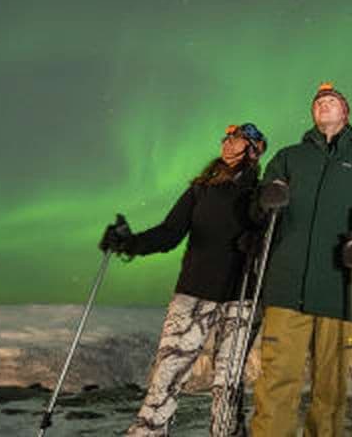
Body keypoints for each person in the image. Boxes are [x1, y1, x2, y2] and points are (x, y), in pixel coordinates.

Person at [99, 122, 268, 437]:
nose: (227, 144)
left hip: (241, 296)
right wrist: (128, 242)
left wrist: (260, 239)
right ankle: (149, 430)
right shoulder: (201, 189)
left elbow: (276, 238)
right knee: (168, 370)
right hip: (194, 294)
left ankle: (227, 432)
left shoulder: (262, 196)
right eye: (227, 139)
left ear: (253, 151)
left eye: (237, 140)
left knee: (227, 382)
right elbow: (169, 233)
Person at [249, 82, 352, 437]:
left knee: (331, 387)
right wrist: (265, 201)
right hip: (286, 284)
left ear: (346, 113)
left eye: (332, 101)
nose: (324, 106)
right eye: (318, 103)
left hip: (341, 286)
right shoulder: (288, 157)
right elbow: (259, 211)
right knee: (276, 379)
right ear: (313, 114)